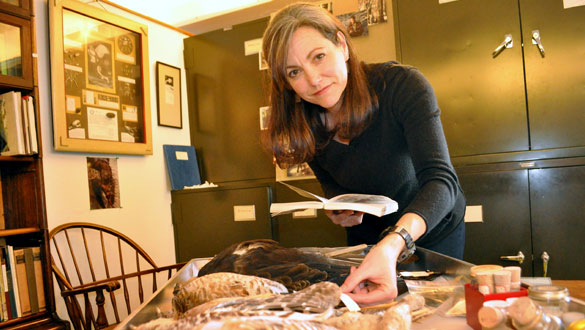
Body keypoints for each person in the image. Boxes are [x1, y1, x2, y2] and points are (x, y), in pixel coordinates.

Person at [261, 3, 466, 306]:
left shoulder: (403, 86)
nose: (314, 80)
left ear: (341, 45)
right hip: (369, 237)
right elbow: (332, 181)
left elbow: (441, 182)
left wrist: (395, 242)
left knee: (432, 312)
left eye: (319, 57)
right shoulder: (305, 120)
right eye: (295, 72)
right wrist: (339, 206)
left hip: (430, 228)